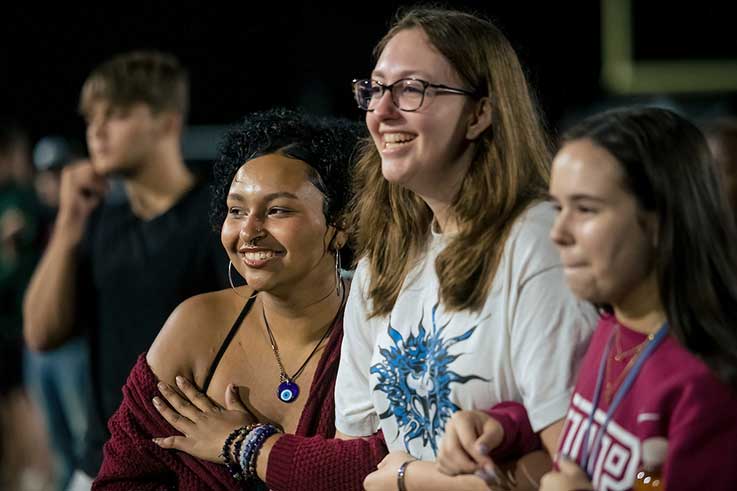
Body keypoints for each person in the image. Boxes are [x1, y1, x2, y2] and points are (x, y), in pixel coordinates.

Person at [336, 7, 597, 491]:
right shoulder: (384, 258)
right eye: (374, 89)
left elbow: (574, 473)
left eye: (412, 89)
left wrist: (408, 476)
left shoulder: (536, 242)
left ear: (479, 113)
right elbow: (357, 455)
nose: (381, 110)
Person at [93, 108, 388, 491]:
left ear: (342, 225)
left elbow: (382, 470)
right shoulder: (196, 326)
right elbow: (121, 479)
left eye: (277, 210)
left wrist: (246, 446)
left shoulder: (381, 327)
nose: (248, 231)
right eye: (236, 210)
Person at [22, 51, 228, 486]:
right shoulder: (96, 221)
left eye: (114, 114)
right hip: (97, 462)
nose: (96, 130)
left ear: (167, 121)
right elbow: (41, 334)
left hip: (186, 468)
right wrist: (67, 223)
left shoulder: (217, 218)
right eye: (91, 117)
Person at [538, 107, 737, 490]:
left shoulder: (707, 387)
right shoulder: (615, 324)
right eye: (558, 208)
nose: (557, 233)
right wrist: (506, 424)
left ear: (659, 223)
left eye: (585, 209)